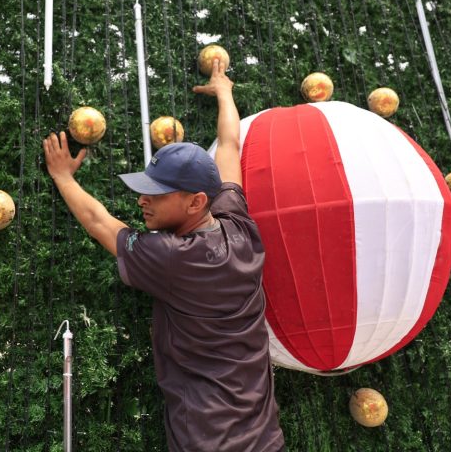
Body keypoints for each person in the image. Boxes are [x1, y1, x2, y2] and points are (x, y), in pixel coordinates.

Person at [43, 58, 284, 451]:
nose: (142, 200)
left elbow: (100, 223)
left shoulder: (173, 256)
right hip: (265, 438)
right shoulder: (237, 224)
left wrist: (62, 176)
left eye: (156, 194)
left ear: (196, 202)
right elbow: (229, 145)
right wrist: (224, 91)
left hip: (207, 440)